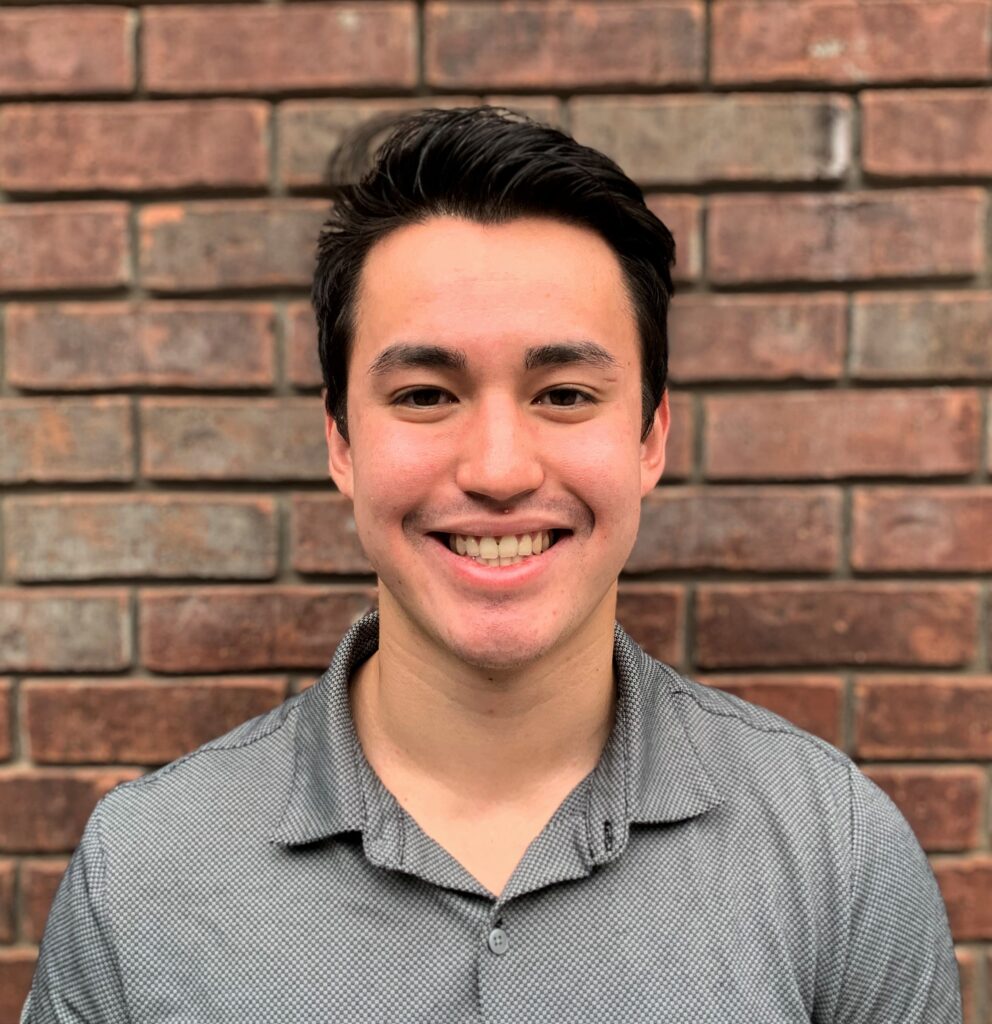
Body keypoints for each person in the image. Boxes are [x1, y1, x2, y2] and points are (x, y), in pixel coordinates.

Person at [22, 106, 960, 1023]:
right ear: (342, 443)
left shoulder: (834, 855)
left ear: (650, 436)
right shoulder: (143, 877)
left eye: (563, 393)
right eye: (427, 394)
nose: (500, 471)